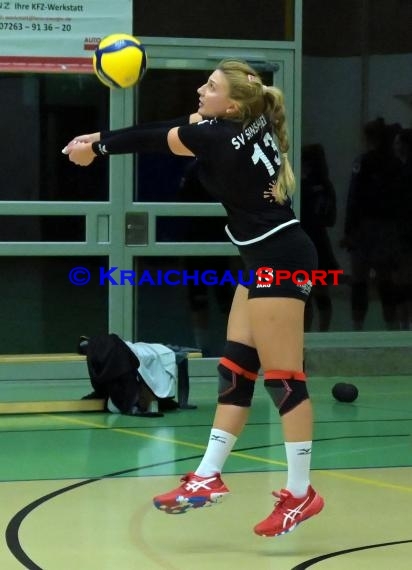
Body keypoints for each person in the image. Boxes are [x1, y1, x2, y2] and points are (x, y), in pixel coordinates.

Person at [63, 59, 324, 538]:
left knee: (286, 381)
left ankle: (300, 493)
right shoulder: (249, 119)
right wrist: (97, 137)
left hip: (282, 257)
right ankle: (207, 476)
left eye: (211, 86)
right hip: (264, 256)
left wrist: (95, 146)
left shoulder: (218, 135)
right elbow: (172, 127)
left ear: (232, 103)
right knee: (235, 370)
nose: (201, 90)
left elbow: (151, 139)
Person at [300, 144, 339, 331]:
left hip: (307, 242)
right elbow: (331, 218)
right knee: (321, 293)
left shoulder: (303, 185)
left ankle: (306, 334)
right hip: (320, 242)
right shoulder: (326, 184)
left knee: (305, 294)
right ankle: (323, 332)